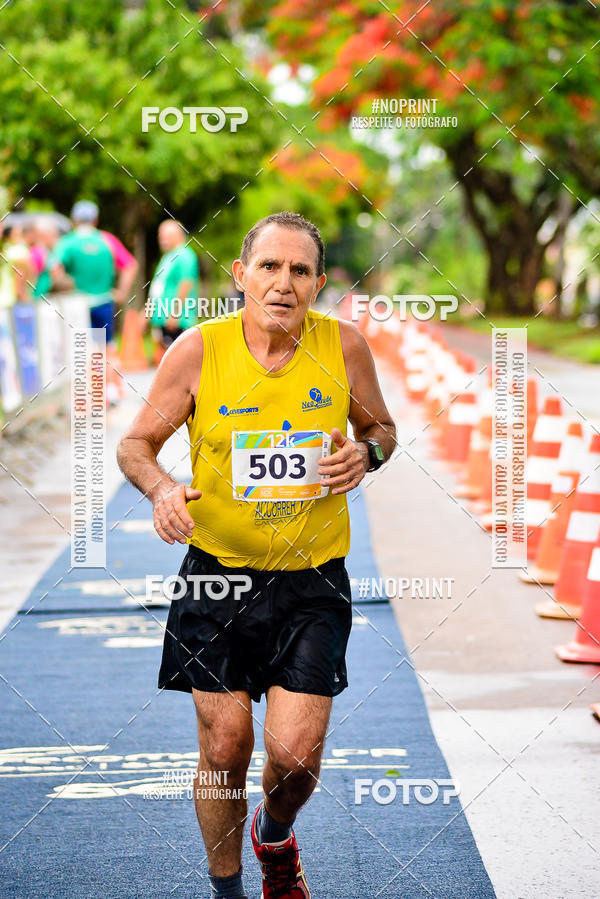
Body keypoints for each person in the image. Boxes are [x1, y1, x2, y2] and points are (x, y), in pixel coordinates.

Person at [117, 212, 396, 899]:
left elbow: (383, 429)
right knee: (224, 745)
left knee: (295, 757)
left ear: (319, 283)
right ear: (240, 275)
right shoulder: (199, 349)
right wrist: (160, 490)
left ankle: (273, 833)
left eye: (299, 270)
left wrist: (368, 452)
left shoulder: (344, 347)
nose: (283, 283)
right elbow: (135, 445)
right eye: (268, 267)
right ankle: (229, 892)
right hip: (216, 578)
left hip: (313, 581)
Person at [148, 219, 199, 355]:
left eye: (166, 236)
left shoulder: (185, 255)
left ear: (179, 235)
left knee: (178, 359)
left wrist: (175, 313)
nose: (162, 239)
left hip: (177, 319)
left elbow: (186, 283)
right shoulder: (168, 256)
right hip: (162, 316)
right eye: (161, 235)